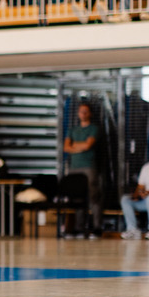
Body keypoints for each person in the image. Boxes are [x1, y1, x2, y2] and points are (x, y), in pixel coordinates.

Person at [63, 101, 102, 239]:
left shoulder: (94, 128)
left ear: (90, 113)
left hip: (89, 167)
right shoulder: (73, 130)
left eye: (86, 111)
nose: (83, 114)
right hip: (74, 168)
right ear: (78, 113)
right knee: (77, 198)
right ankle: (78, 228)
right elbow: (66, 147)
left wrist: (74, 146)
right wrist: (80, 145)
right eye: (81, 111)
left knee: (93, 197)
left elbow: (88, 145)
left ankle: (97, 228)